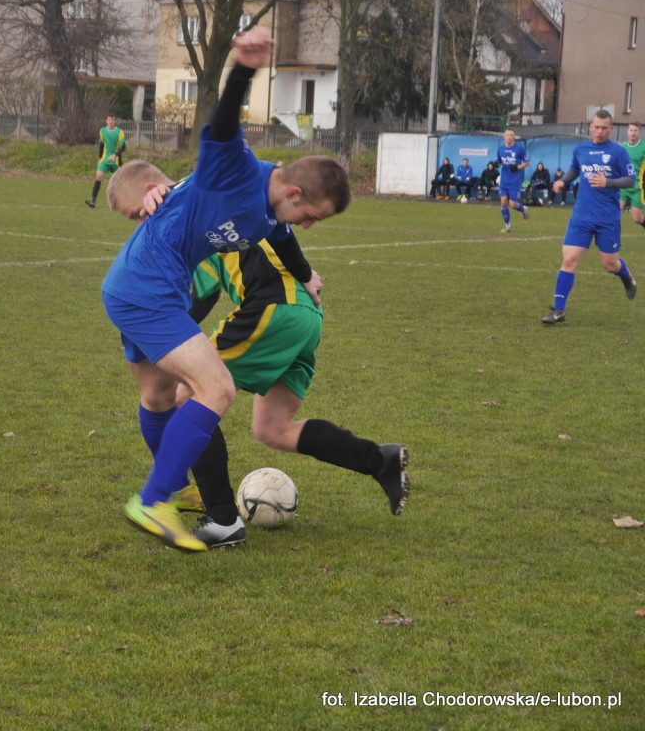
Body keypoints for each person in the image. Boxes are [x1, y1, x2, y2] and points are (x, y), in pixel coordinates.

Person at [100, 27, 352, 552]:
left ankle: (174, 492)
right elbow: (220, 124)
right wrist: (242, 66)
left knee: (158, 394)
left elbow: (283, 240)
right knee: (217, 389)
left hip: (141, 284)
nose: (308, 223)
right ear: (295, 191)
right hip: (147, 285)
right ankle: (154, 499)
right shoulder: (235, 169)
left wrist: (305, 277)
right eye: (312, 214)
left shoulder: (269, 215)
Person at [108, 162, 409, 548]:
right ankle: (380, 461)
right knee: (273, 429)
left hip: (272, 309)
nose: (140, 224)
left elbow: (192, 301)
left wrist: (150, 336)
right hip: (307, 314)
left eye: (137, 215)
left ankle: (221, 519)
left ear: (153, 191)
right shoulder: (235, 196)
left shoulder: (190, 218)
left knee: (189, 398)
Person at [542, 109, 637, 325]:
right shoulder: (581, 149)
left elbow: (630, 181)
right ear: (590, 127)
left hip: (607, 217)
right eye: (597, 127)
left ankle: (626, 276)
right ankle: (558, 310)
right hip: (581, 215)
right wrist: (563, 181)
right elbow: (575, 169)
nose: (600, 131)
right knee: (569, 259)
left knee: (610, 264)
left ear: (611, 129)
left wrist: (609, 182)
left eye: (605, 127)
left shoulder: (618, 152)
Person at [85, 113, 126, 208]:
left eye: (112, 120)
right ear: (106, 121)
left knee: (118, 182)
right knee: (98, 177)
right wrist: (100, 158)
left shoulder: (119, 132)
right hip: (105, 159)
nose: (111, 122)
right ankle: (93, 201)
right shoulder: (102, 131)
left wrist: (115, 155)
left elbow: (123, 147)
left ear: (114, 121)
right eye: (109, 120)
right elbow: (102, 144)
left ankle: (123, 201)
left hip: (115, 161)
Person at [496, 127, 530, 232]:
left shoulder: (519, 149)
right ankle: (508, 226)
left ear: (514, 137)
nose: (509, 137)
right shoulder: (500, 149)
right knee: (503, 202)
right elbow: (499, 162)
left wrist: (517, 167)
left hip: (514, 181)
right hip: (504, 180)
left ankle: (523, 209)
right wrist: (495, 164)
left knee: (512, 204)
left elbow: (527, 162)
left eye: (511, 135)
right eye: (507, 135)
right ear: (504, 137)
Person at [620, 122, 644, 229]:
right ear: (627, 132)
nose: (633, 133)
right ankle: (613, 243)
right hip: (623, 186)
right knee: (614, 213)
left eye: (636, 130)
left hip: (638, 188)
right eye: (631, 130)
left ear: (640, 132)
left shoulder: (643, 147)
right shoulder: (622, 147)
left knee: (637, 219)